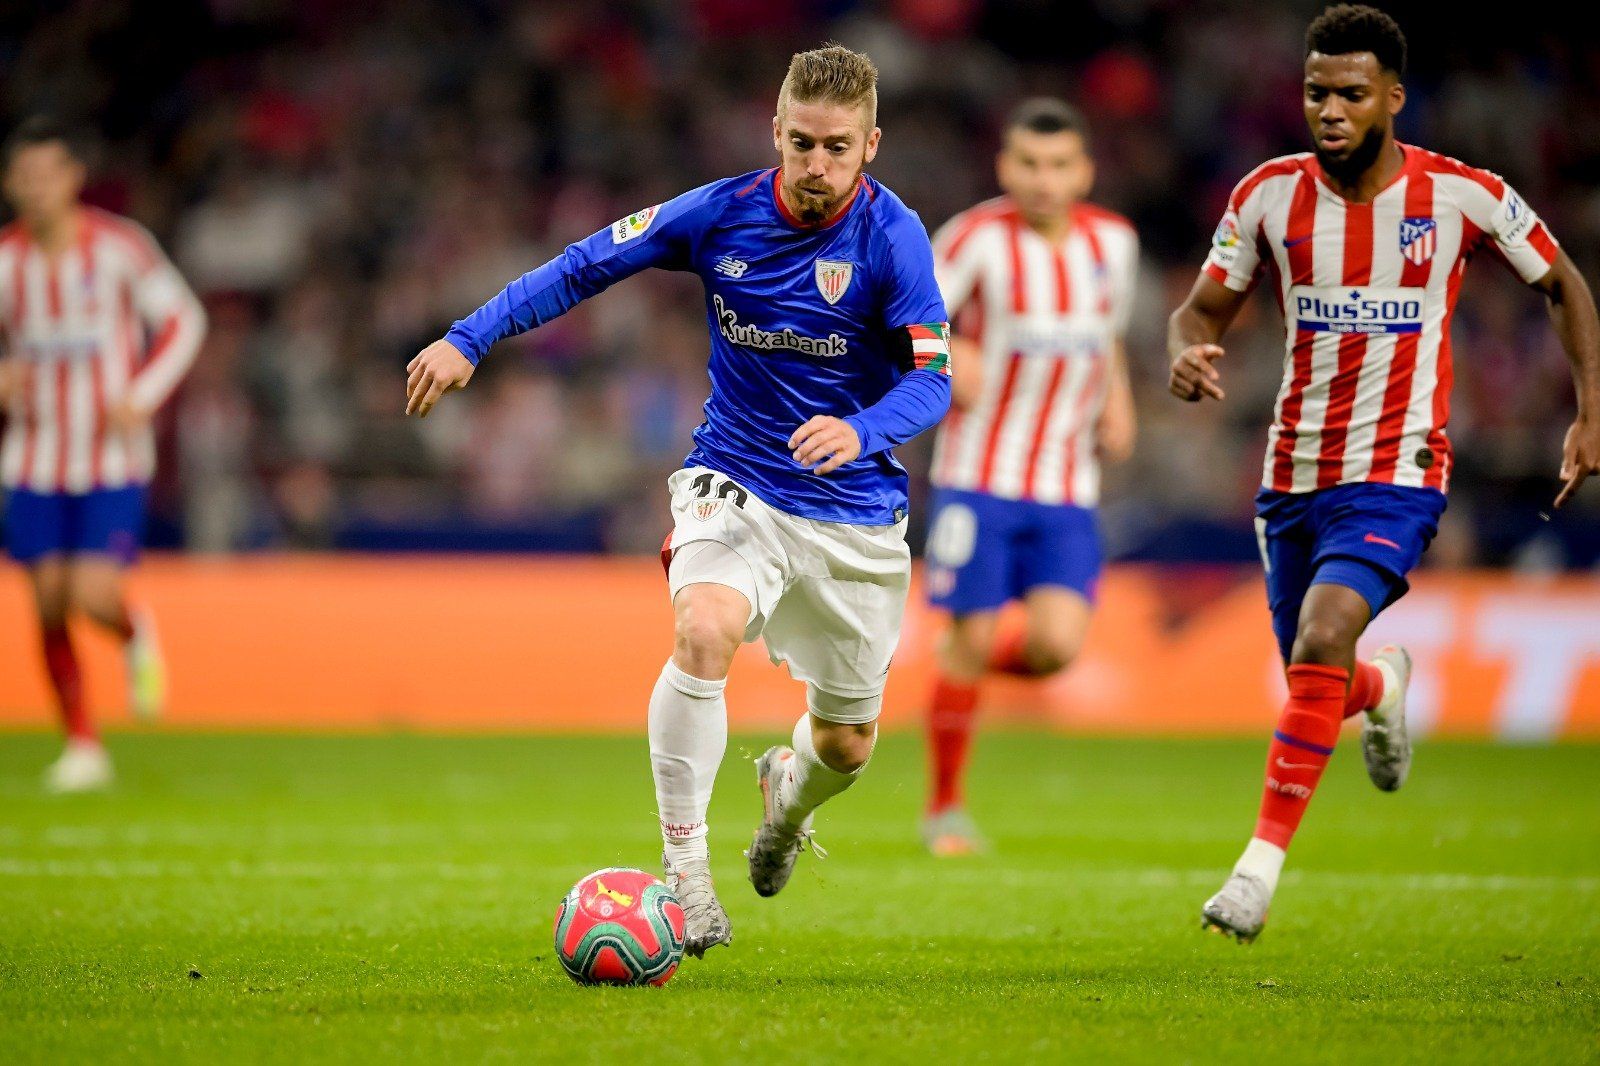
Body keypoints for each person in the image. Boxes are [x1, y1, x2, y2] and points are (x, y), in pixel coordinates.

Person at [404, 45, 951, 958]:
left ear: (872, 146)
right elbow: (584, 265)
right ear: (776, 131)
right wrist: (470, 337)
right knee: (704, 629)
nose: (817, 165)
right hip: (732, 479)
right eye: (803, 142)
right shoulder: (719, 212)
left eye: (838, 148)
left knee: (848, 747)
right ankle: (688, 879)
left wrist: (862, 430)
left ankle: (785, 803)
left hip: (852, 508)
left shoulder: (894, 239)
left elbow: (935, 378)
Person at [1168, 4, 1600, 942]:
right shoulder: (1266, 197)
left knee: (1323, 634)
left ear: (1392, 99)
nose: (1329, 109)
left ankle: (1255, 874)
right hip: (1290, 477)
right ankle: (1383, 688)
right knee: (1313, 670)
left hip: (1398, 471)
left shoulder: (1459, 195)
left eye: (1351, 93)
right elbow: (1200, 312)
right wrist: (1189, 351)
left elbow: (1565, 282)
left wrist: (1589, 414)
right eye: (1317, 91)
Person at [920, 98, 1138, 856]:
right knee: (972, 634)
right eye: (1028, 165)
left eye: (1058, 165)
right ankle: (945, 808)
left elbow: (1106, 333)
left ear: (1084, 170)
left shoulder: (1115, 243)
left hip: (1066, 483)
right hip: (977, 475)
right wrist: (951, 355)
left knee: (1055, 647)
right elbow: (911, 320)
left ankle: (956, 680)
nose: (1043, 180)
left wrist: (1120, 399)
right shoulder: (975, 239)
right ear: (1005, 166)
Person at [0, 118, 205, 792]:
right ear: (10, 184)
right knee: (49, 601)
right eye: (24, 175)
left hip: (112, 454)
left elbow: (183, 319)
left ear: (72, 178)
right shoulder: (7, 261)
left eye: (47, 173)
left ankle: (131, 629)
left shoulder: (119, 248)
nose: (35, 187)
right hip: (34, 454)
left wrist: (143, 392)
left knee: (91, 592)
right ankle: (83, 744)